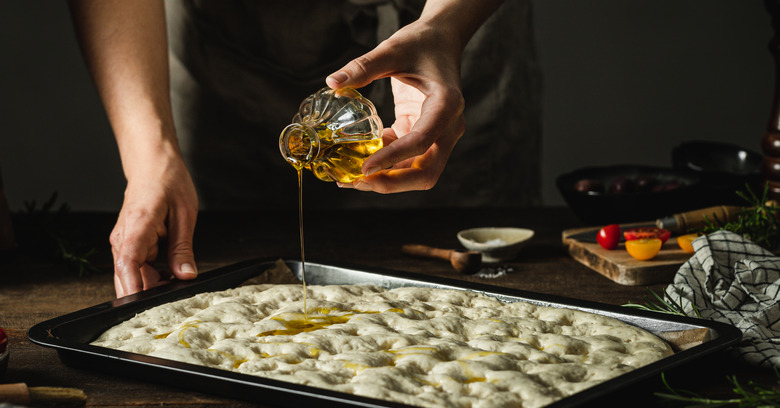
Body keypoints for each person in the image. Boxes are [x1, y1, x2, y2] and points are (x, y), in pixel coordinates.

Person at [67, 0, 541, 297]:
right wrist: (150, 153)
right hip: (231, 48)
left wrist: (447, 24)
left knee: (488, 283)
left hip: (455, 33)